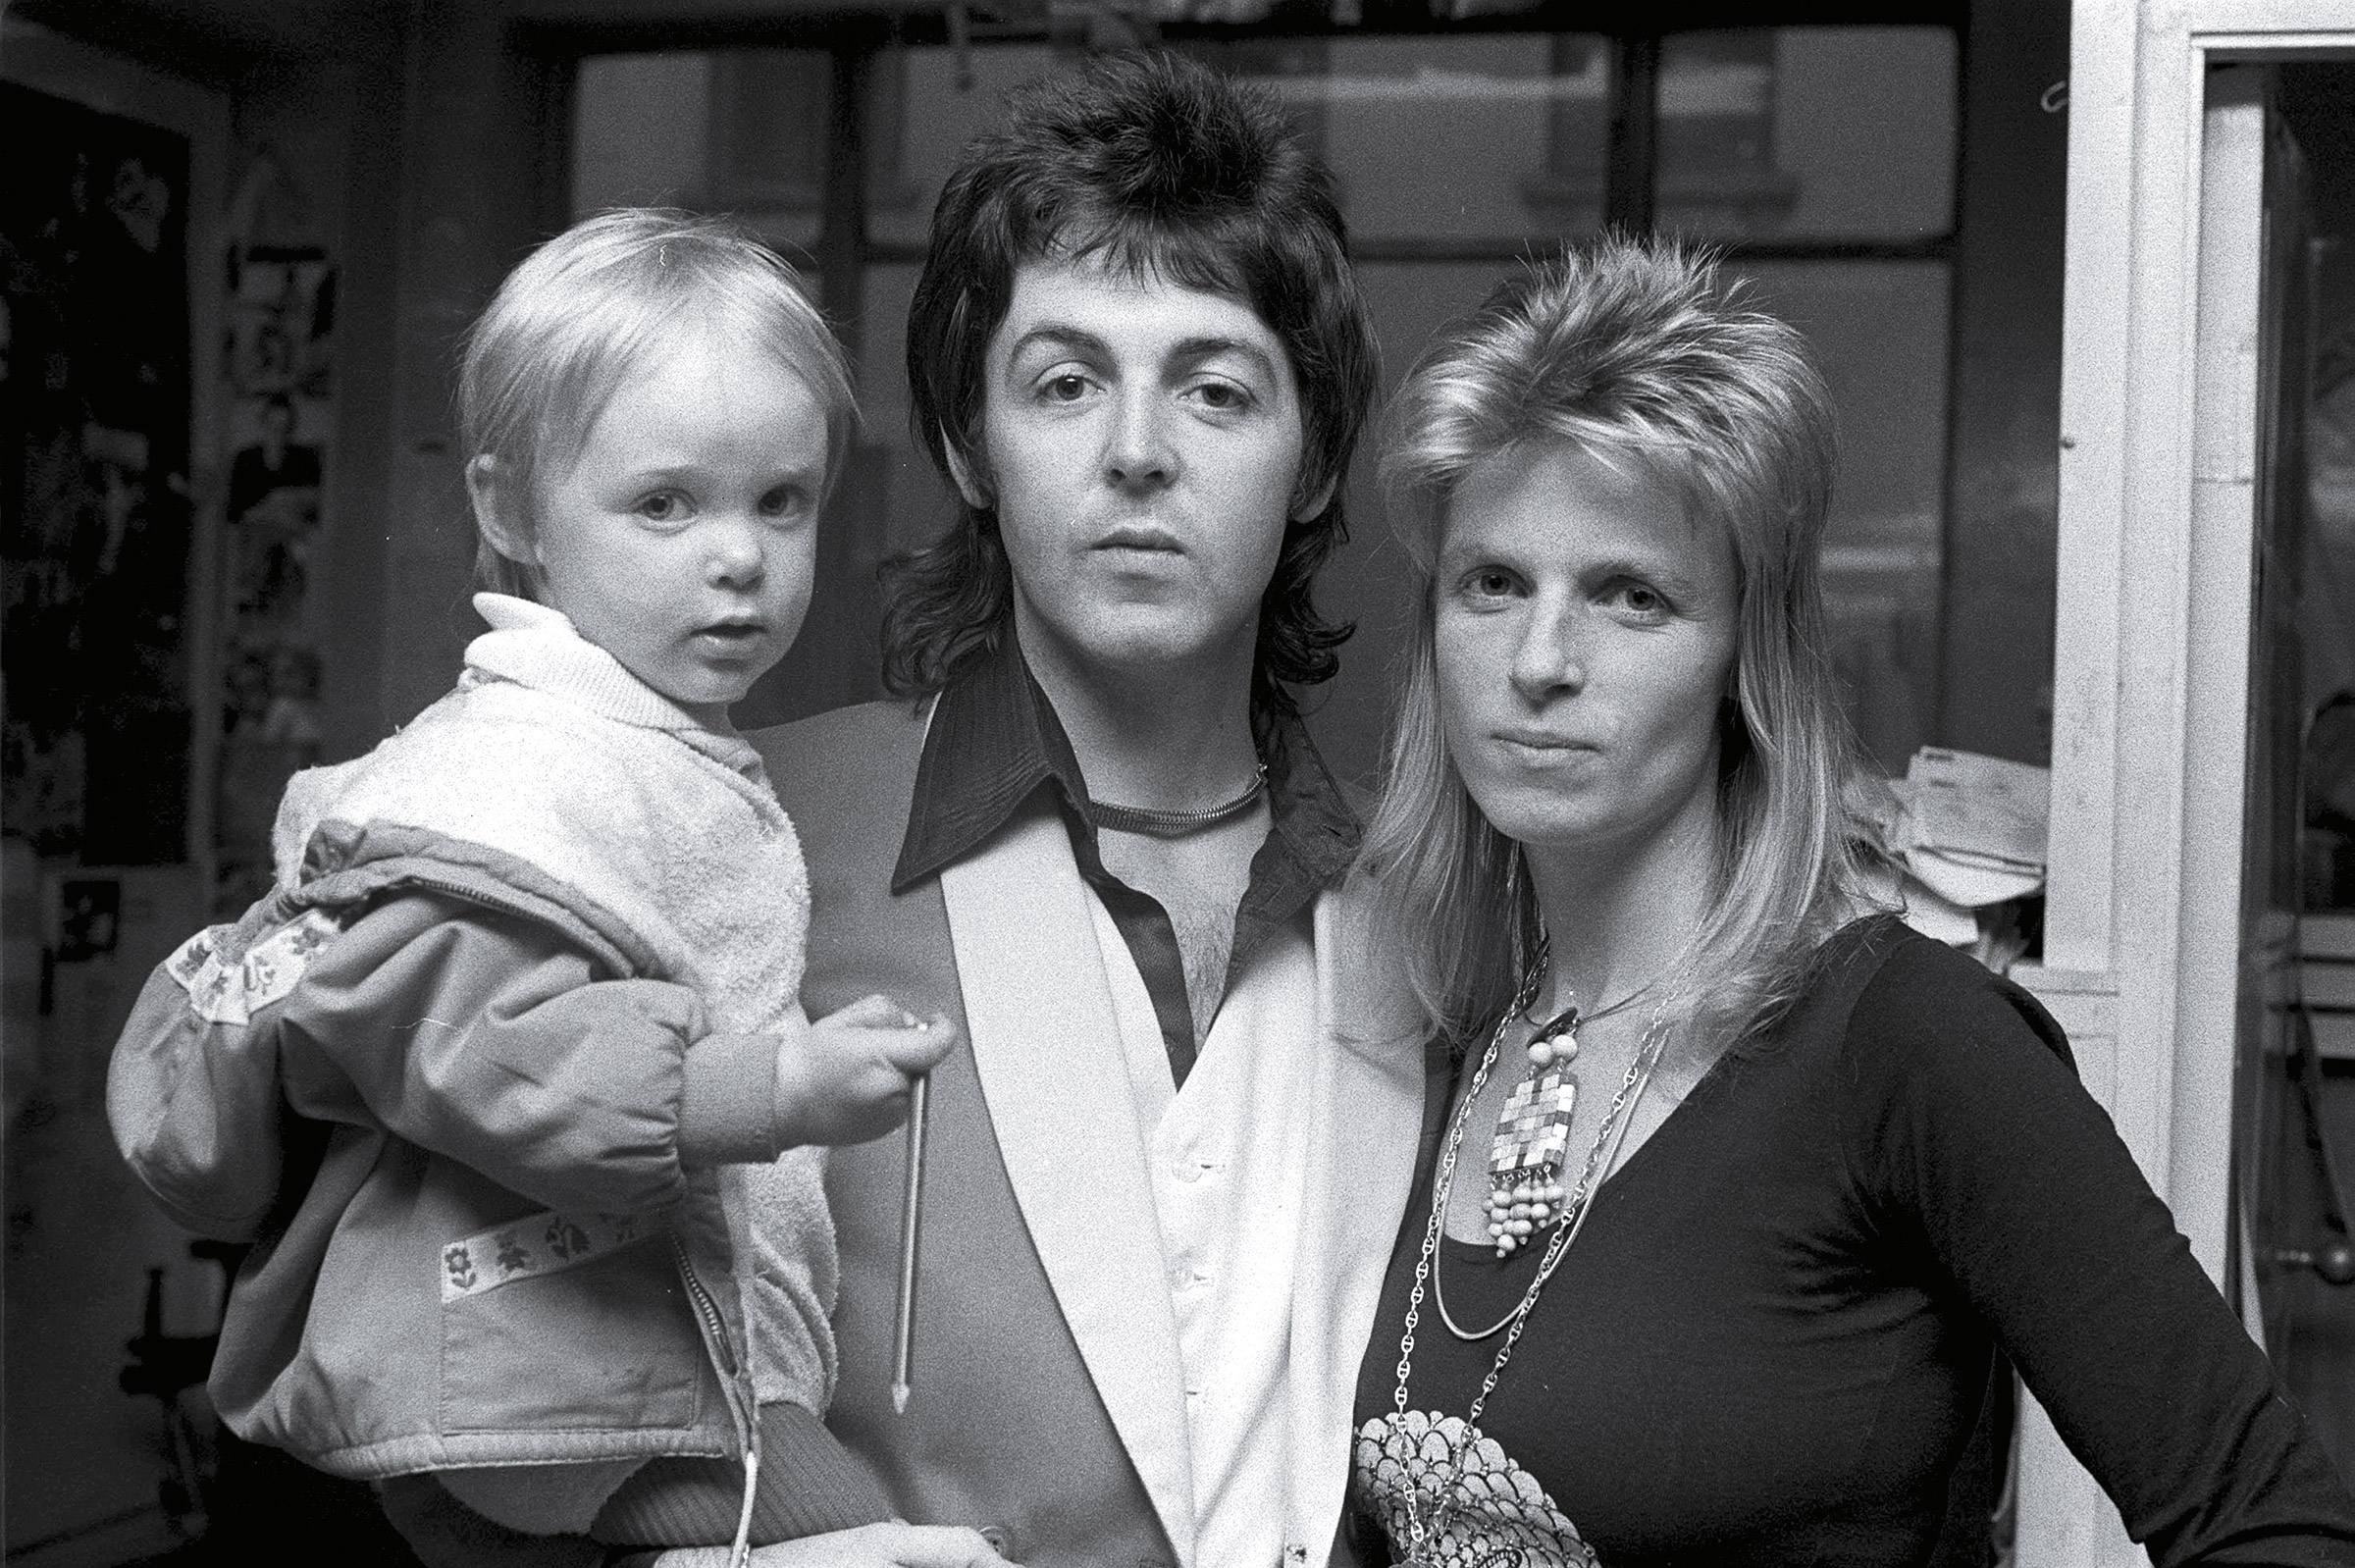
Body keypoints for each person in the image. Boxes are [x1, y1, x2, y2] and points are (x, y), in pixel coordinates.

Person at [1343, 235, 2355, 1567]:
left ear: (1741, 658)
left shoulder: (1905, 1041)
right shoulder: (1432, 1025)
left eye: (1629, 596)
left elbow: (2270, 1522)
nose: (1540, 661)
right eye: (1494, 584)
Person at [106, 210, 980, 1565]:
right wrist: (772, 1088)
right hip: (549, 1383)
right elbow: (482, 1042)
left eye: (781, 501)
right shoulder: (508, 774)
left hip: (592, 1364)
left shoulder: (650, 743)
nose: (738, 555)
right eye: (665, 503)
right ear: (512, 509)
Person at [741, 48, 1418, 1568]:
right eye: (1064, 382)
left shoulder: (1433, 903)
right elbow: (466, 1357)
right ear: (971, 448)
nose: (1136, 451)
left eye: (1218, 388)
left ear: (1313, 463)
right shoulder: (757, 830)